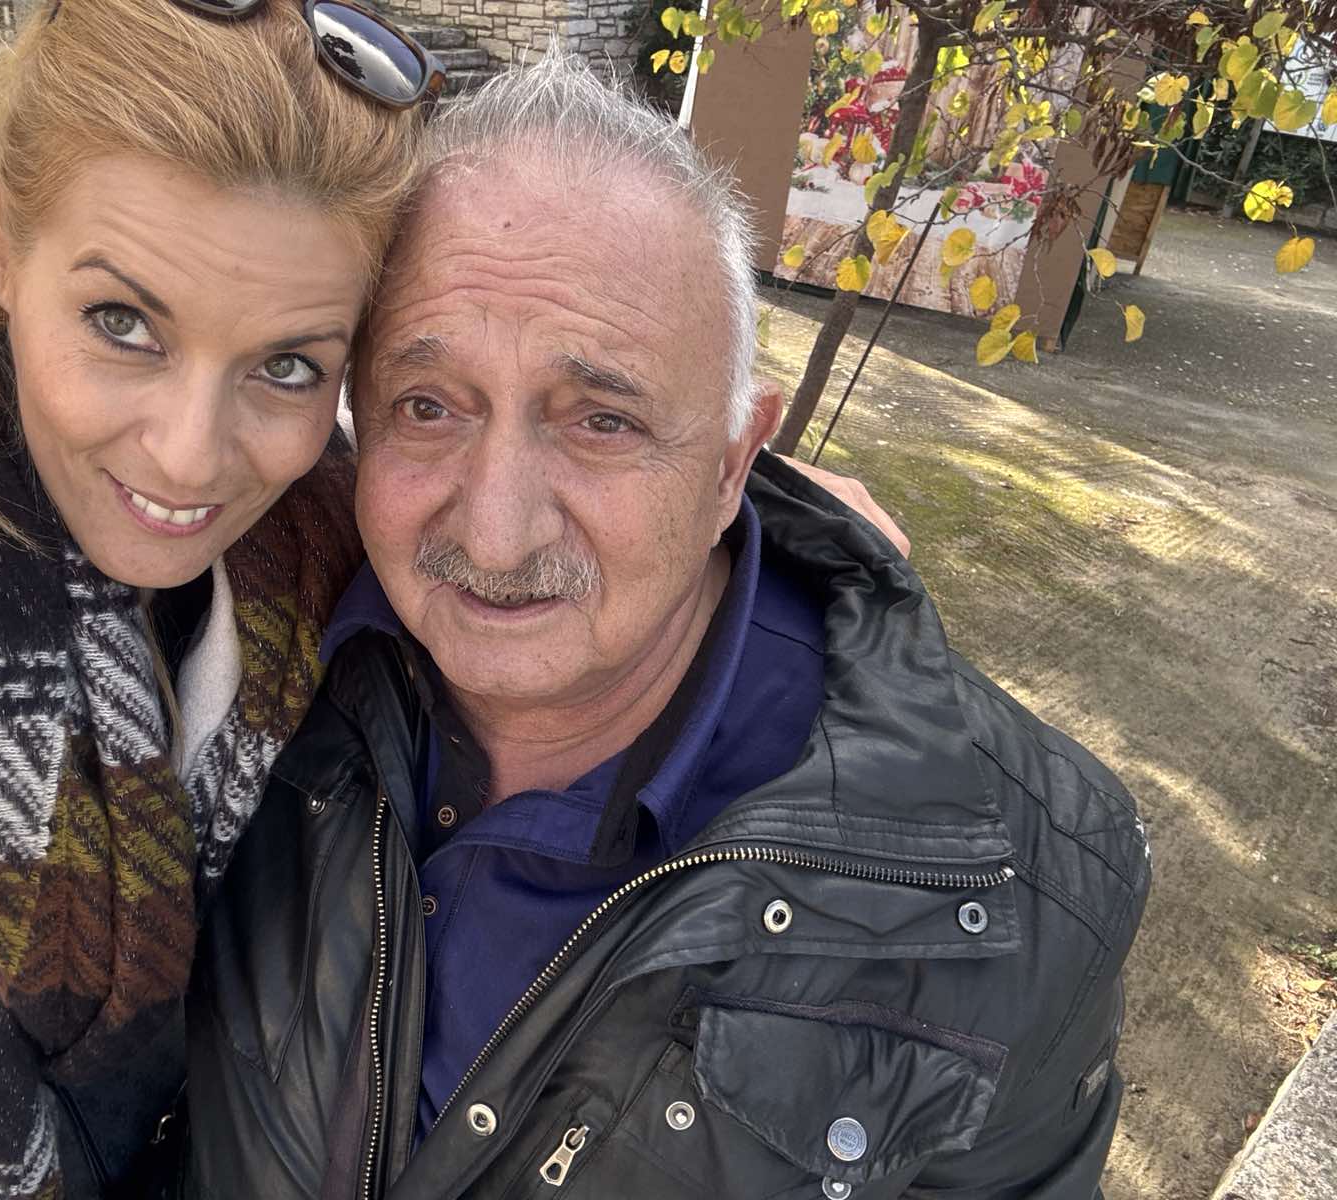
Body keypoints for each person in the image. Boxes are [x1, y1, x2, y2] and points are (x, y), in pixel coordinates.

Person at [182, 53, 1152, 1200]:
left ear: (737, 459)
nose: (494, 533)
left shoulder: (1021, 890)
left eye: (602, 420)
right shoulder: (234, 661)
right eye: (427, 406)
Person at [0, 0, 437, 1193]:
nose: (188, 455)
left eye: (286, 365)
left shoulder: (320, 526)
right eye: (123, 324)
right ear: (1, 245)